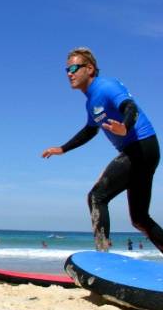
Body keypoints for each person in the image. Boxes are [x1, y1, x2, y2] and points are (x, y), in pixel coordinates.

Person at [42, 47, 162, 254]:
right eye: (66, 70)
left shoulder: (106, 86)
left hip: (140, 147)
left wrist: (125, 126)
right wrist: (63, 149)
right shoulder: (91, 102)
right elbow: (90, 130)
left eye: (73, 67)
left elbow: (129, 106)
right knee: (140, 219)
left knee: (97, 197)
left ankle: (102, 257)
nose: (69, 73)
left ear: (89, 69)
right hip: (142, 151)